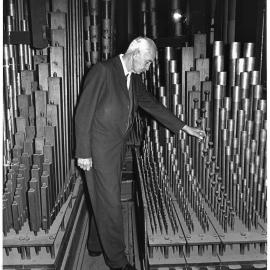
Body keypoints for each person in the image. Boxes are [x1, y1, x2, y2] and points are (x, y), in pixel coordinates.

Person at [75, 36, 205, 270]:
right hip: (97, 150)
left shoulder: (133, 78)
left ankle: (95, 244)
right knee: (111, 205)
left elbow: (151, 104)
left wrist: (184, 126)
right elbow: (83, 112)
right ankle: (117, 260)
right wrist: (83, 152)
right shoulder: (102, 71)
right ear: (135, 54)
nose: (148, 67)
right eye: (147, 62)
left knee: (103, 199)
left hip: (116, 148)